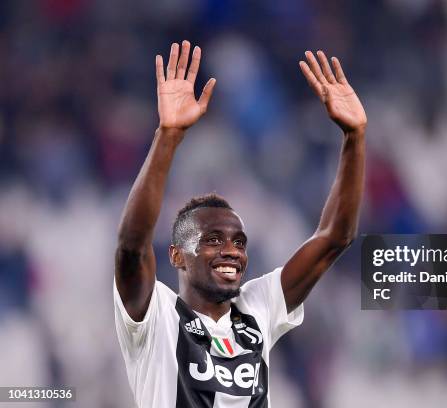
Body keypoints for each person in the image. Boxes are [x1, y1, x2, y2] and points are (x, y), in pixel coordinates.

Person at [113, 40, 366, 407]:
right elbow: (132, 247)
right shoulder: (155, 319)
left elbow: (334, 238)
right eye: (213, 240)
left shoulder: (256, 308)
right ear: (178, 256)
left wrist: (354, 137)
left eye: (239, 241)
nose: (231, 251)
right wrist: (167, 137)